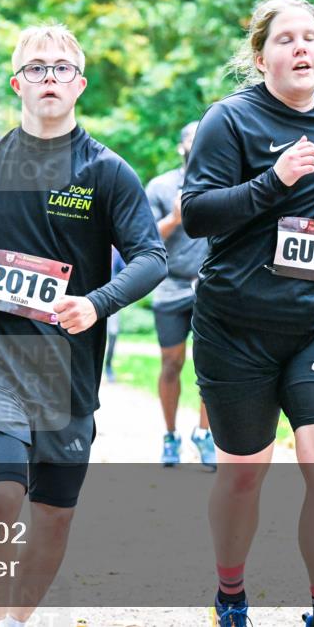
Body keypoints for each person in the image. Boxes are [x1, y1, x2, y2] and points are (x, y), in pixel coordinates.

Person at [0, 24, 166, 627]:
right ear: (17, 85)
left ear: (79, 84)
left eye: (61, 67)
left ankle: (17, 618)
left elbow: (151, 258)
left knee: (53, 518)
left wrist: (97, 303)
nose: (48, 75)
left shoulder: (107, 172)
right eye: (35, 68)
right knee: (3, 495)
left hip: (68, 372)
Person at [181, 0, 314, 627]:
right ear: (260, 54)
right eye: (284, 39)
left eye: (310, 38)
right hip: (236, 326)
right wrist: (275, 181)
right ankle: (231, 592)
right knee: (244, 474)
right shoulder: (231, 121)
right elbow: (197, 214)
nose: (300, 48)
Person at [144, 121, 216, 469]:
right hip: (170, 286)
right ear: (181, 146)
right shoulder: (160, 186)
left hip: (212, 287)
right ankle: (170, 435)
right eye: (191, 137)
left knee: (211, 366)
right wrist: (174, 218)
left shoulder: (222, 182)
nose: (197, 142)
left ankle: (204, 434)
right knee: (171, 363)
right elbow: (141, 239)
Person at [103, 247, 125, 382]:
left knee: (112, 332)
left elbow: (125, 270)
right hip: (88, 297)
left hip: (111, 299)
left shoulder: (118, 252)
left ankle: (108, 366)